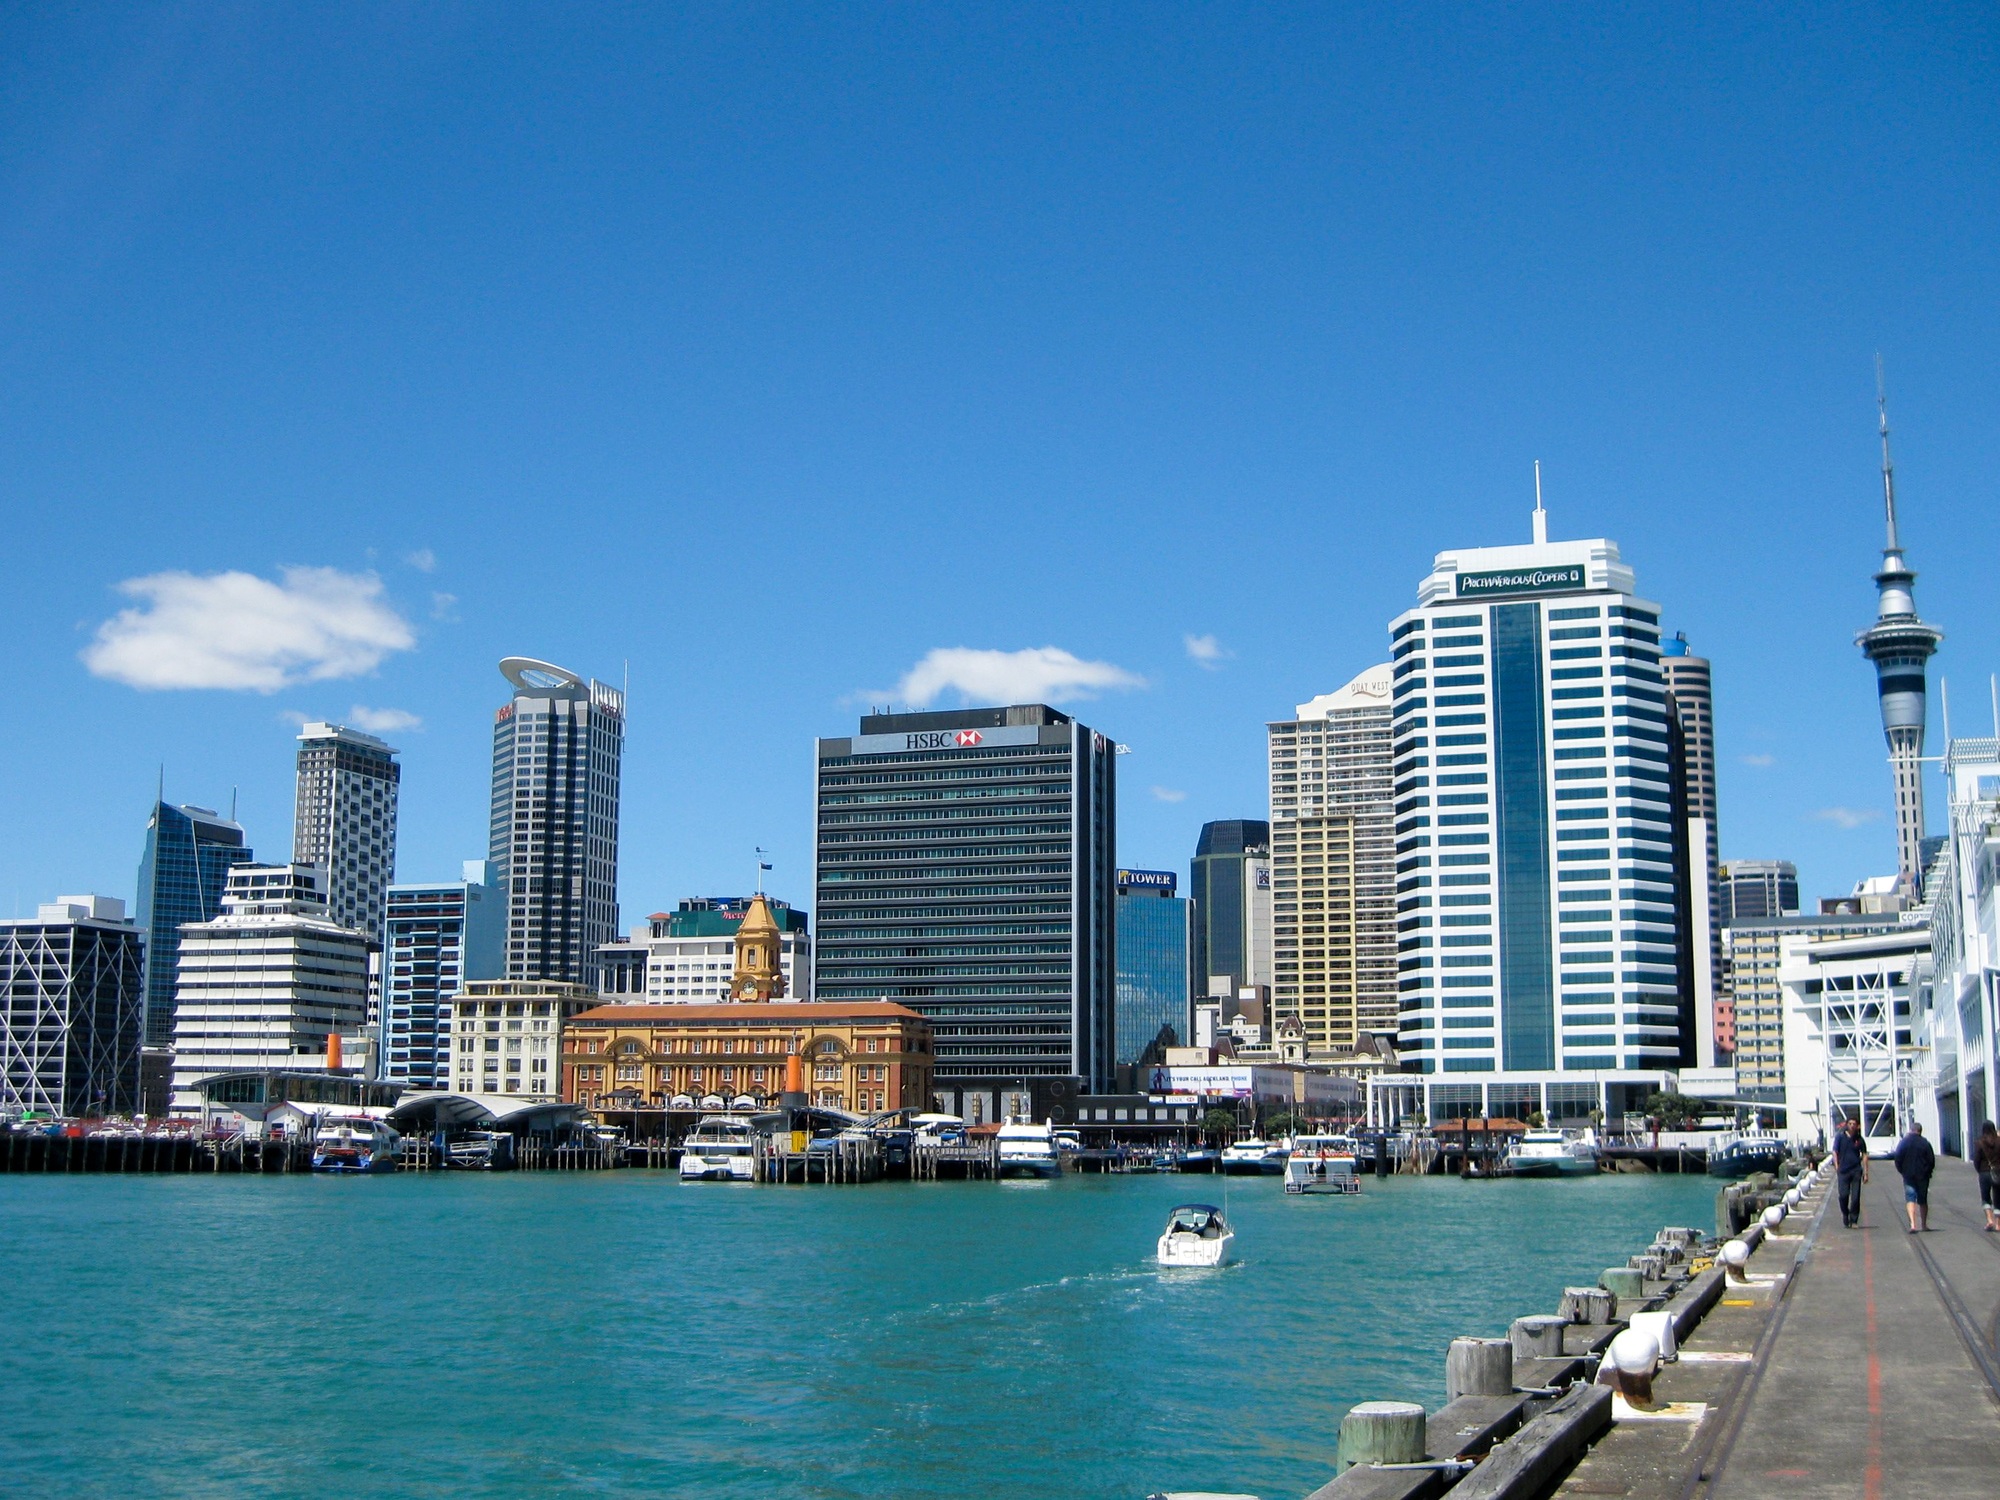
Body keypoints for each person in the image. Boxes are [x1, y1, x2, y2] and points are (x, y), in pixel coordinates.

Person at [1892, 1120, 1937, 1233]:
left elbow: (1898, 1158)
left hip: (1908, 1174)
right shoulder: (1925, 1143)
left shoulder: (1904, 1142)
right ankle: (1924, 1224)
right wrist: (1928, 1171)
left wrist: (1902, 1170)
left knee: (1910, 1198)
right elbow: (1931, 1160)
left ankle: (1913, 1224)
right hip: (1923, 1175)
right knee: (1922, 1200)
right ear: (1920, 1131)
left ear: (1911, 1130)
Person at [1831, 1116, 1868, 1228]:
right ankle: (1845, 1214)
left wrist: (1866, 1172)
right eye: (1850, 1123)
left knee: (1856, 1197)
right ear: (1847, 1125)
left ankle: (1854, 1220)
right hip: (1843, 1171)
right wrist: (1837, 1166)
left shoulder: (1859, 1139)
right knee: (1843, 1195)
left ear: (1857, 1126)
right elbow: (1835, 1152)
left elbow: (1865, 1155)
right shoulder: (1840, 1137)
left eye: (1854, 1124)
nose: (1852, 1125)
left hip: (1856, 1170)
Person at [1974, 1120, 2000, 1233]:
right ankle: (1998, 1224)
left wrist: (1979, 1170)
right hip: (1998, 1172)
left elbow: (1976, 1160)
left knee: (1985, 1198)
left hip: (1984, 1173)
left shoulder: (1979, 1142)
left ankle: (1990, 1220)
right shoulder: (1999, 1141)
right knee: (1998, 1198)